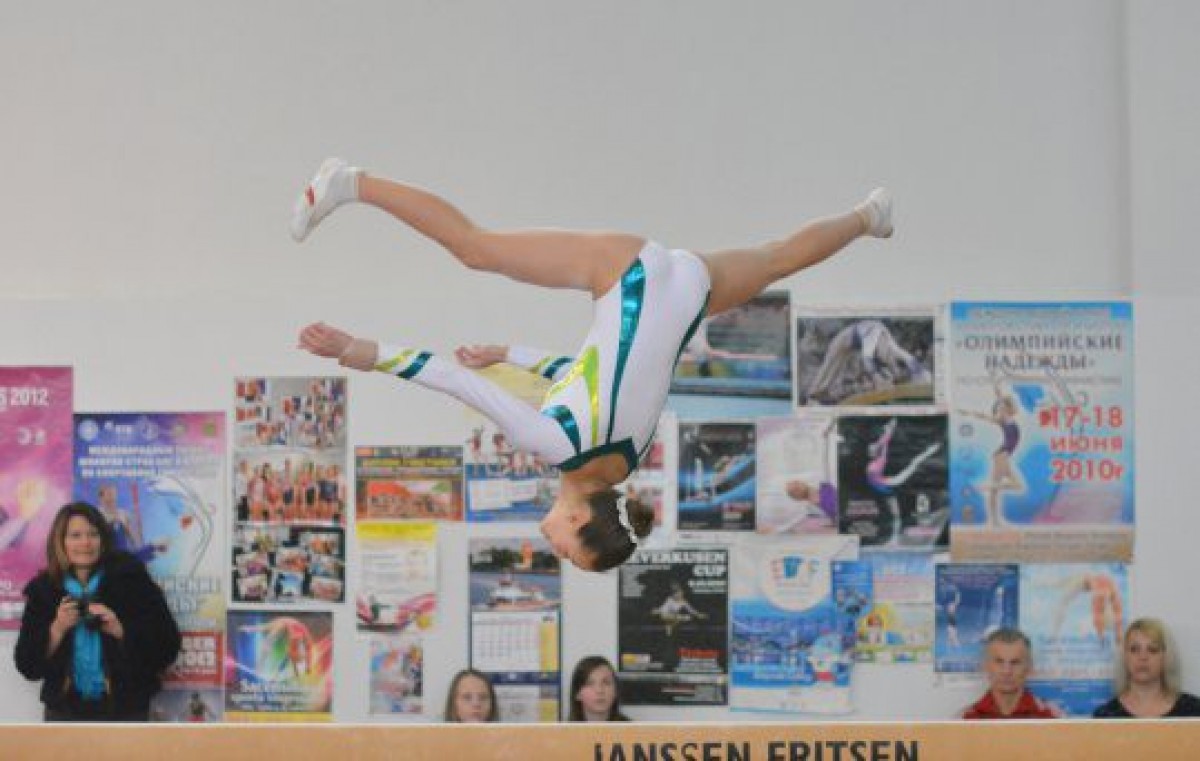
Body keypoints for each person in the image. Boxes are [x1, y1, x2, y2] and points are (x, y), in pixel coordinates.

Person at [291, 158, 892, 573]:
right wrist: (361, 351)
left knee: (780, 257)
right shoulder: (551, 444)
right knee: (475, 248)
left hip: (688, 291)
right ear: (578, 516)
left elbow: (583, 375)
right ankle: (350, 182)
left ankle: (870, 215)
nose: (553, 546)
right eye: (566, 549)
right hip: (629, 277)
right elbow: (454, 379)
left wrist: (510, 355)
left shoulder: (626, 458)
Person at [13, 502, 181, 721]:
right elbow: (27, 665)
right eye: (75, 535)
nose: (85, 542)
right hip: (64, 713)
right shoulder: (43, 591)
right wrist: (57, 629)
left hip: (127, 710)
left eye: (93, 534)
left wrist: (121, 630)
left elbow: (168, 647)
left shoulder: (132, 579)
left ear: (103, 539)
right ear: (60, 541)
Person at [1093, 618, 1200, 718]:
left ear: (1166, 657)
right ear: (1124, 657)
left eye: (1152, 650)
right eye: (1134, 649)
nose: (1143, 657)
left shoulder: (1193, 710)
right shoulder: (1106, 715)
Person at [960, 628, 1061, 719]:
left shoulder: (1050, 717)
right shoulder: (966, 719)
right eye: (999, 662)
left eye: (1015, 662)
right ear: (985, 666)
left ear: (1029, 667)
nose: (1007, 671)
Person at [567, 656, 630, 722]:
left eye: (606, 682)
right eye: (590, 683)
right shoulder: (563, 728)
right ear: (577, 693)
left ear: (615, 691)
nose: (599, 690)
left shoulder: (633, 728)